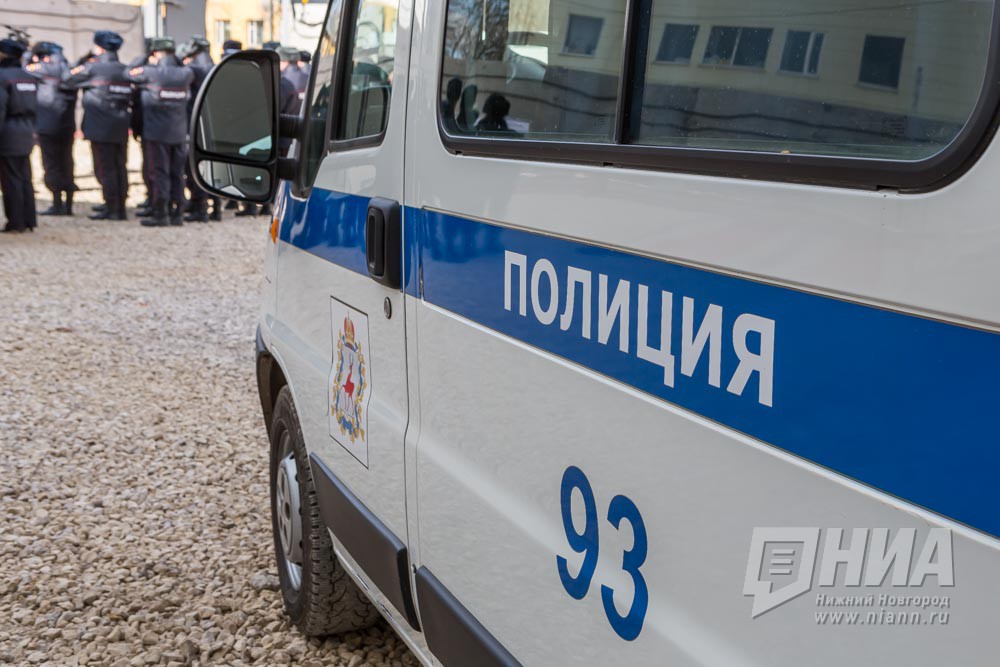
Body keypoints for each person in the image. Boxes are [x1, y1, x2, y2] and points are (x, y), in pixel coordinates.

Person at [63, 31, 132, 221]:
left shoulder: (93, 68)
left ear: (99, 48)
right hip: (121, 125)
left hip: (100, 127)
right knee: (120, 166)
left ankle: (112, 208)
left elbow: (67, 78)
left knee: (105, 168)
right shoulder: (125, 70)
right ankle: (120, 207)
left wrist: (83, 60)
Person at [127, 37, 193, 227]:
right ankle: (178, 213)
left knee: (159, 174)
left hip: (156, 134)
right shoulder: (185, 74)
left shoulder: (150, 73)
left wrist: (144, 57)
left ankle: (161, 213)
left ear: (155, 53)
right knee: (177, 173)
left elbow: (128, 73)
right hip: (179, 133)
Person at [27, 41, 77, 215]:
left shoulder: (42, 69)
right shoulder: (71, 70)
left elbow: (22, 69)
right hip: (68, 126)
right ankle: (68, 204)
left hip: (47, 126)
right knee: (67, 161)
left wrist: (29, 54)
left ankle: (57, 203)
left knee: (51, 164)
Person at [0, 36, 38, 232]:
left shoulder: (2, 77)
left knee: (11, 180)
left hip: (8, 133)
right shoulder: (28, 76)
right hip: (27, 130)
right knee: (24, 177)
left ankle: (15, 222)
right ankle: (29, 219)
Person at [180, 36, 219, 222]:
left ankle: (200, 209)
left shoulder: (193, 69)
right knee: (213, 167)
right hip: (214, 124)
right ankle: (216, 210)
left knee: (195, 168)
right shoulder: (216, 66)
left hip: (196, 124)